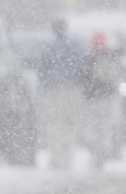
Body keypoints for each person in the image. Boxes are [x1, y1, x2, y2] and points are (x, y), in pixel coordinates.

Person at [37, 18, 84, 170]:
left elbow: (43, 69)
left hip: (52, 89)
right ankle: (67, 158)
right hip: (71, 88)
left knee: (54, 123)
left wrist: (42, 86)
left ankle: (55, 158)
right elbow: (81, 66)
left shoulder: (48, 47)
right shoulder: (75, 46)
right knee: (70, 124)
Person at [79, 31, 121, 170]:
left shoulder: (88, 59)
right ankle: (102, 153)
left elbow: (82, 79)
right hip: (107, 99)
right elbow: (115, 78)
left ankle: (94, 152)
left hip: (91, 100)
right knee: (105, 128)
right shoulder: (111, 56)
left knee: (92, 127)